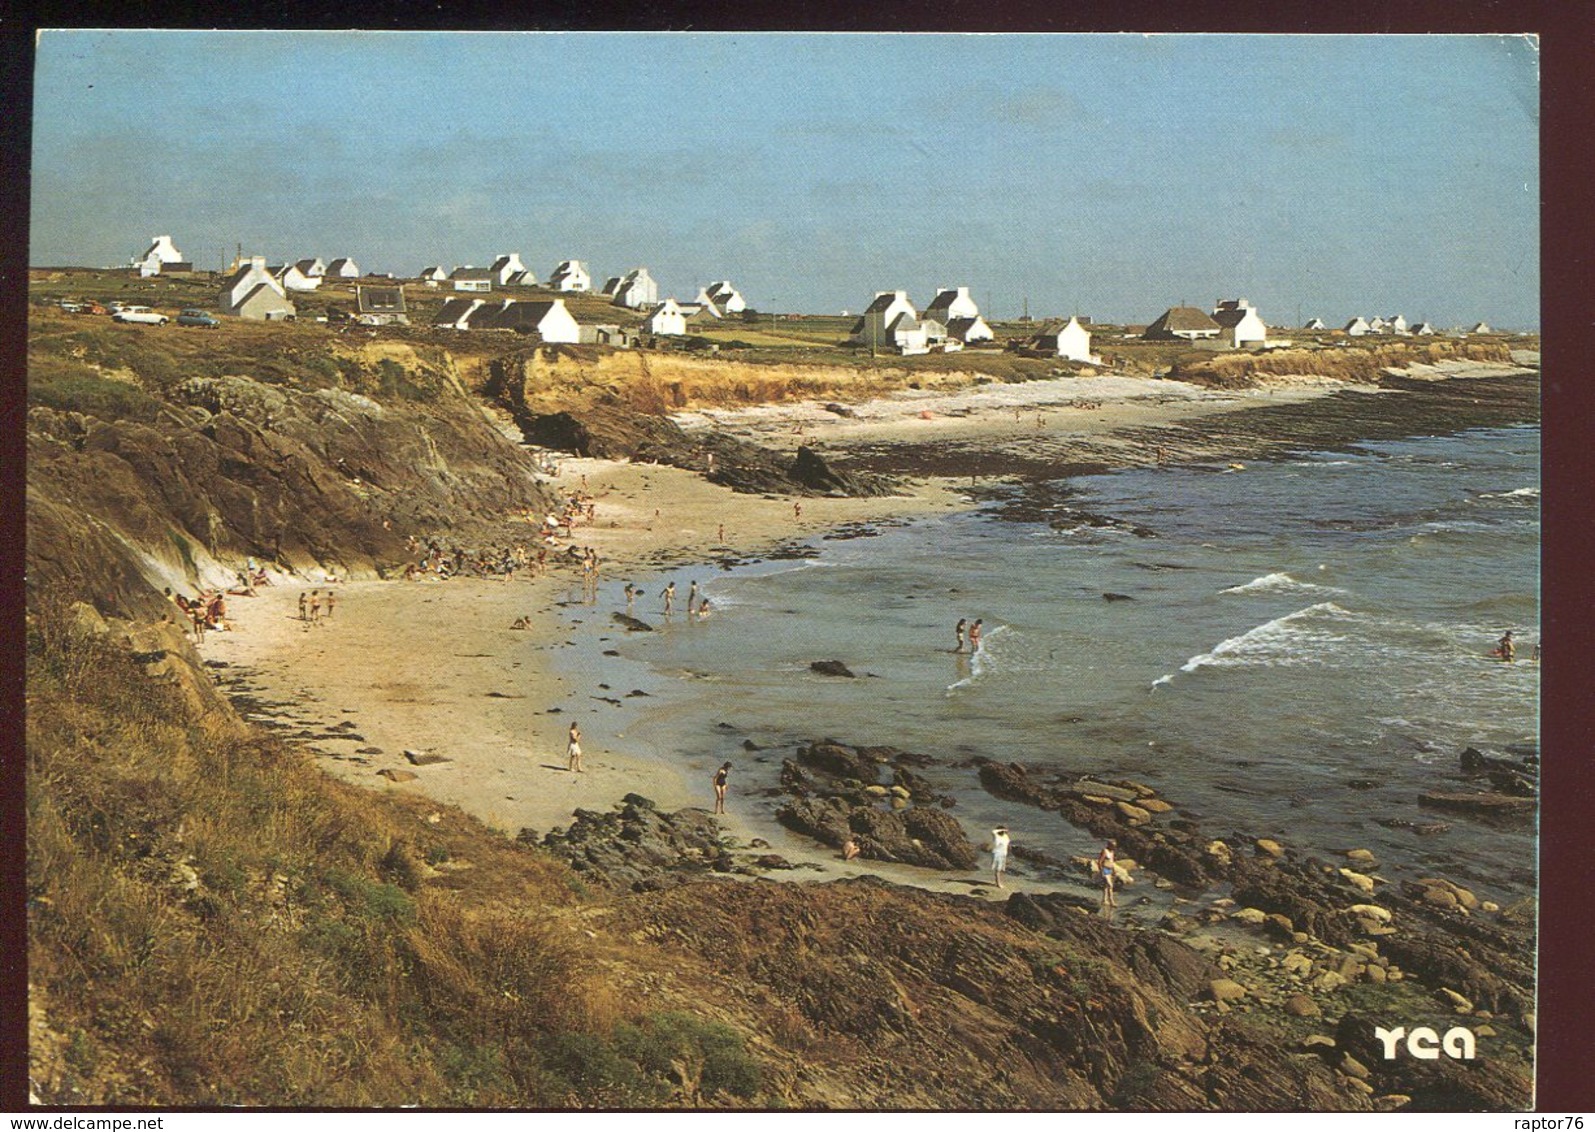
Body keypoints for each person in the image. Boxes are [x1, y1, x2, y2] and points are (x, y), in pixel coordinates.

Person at [1097, 839, 1118, 909]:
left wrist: (1114, 870)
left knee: (1106, 886)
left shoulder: (1112, 852)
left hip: (1110, 870)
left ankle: (1104, 900)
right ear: (1109, 845)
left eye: (1115, 846)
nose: (1114, 847)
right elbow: (1100, 862)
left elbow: (1112, 861)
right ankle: (1112, 901)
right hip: (1105, 869)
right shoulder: (1104, 851)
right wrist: (1101, 871)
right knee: (1110, 885)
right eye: (1113, 846)